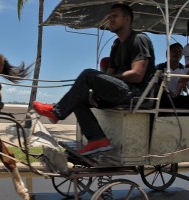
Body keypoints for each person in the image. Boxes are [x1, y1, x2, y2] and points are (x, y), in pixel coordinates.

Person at [32, 3, 156, 156]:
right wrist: (97, 87)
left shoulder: (139, 39)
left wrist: (100, 79)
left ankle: (57, 112)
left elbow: (137, 75)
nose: (110, 19)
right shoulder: (116, 45)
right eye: (109, 17)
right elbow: (109, 75)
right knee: (78, 99)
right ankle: (97, 139)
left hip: (137, 94)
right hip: (121, 91)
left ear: (127, 19)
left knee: (89, 74)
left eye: (114, 16)